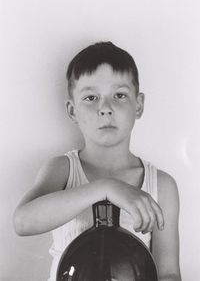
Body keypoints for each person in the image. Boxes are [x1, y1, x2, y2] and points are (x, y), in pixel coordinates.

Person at [13, 41, 181, 281]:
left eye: (119, 95)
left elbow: (168, 273)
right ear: (72, 111)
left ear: (139, 105)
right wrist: (106, 188)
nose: (106, 108)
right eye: (91, 97)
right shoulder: (62, 169)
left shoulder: (161, 186)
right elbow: (22, 222)